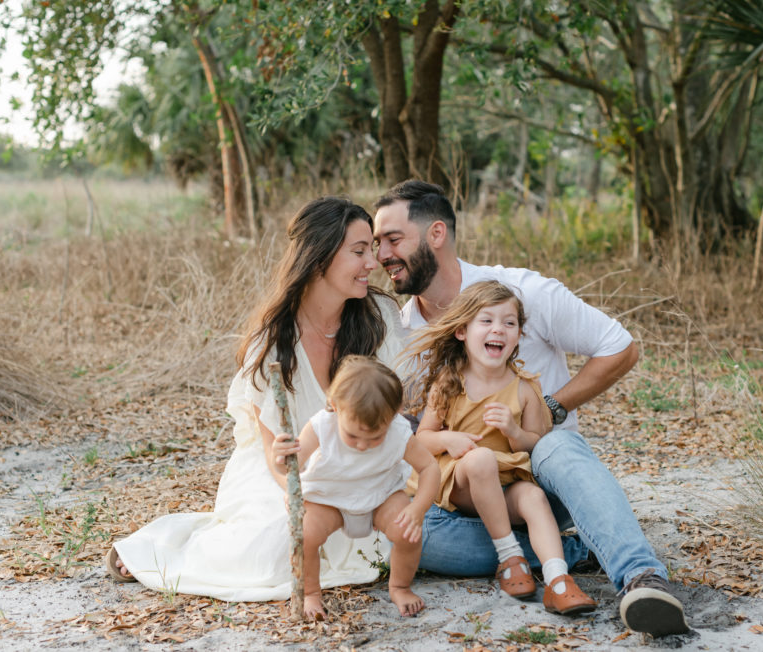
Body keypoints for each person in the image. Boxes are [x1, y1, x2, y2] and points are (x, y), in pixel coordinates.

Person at [373, 181, 689, 638]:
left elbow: (619, 347)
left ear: (435, 234)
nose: (381, 253)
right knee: (407, 538)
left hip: (536, 475)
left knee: (556, 446)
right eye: (377, 243)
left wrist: (549, 410)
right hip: (462, 494)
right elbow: (413, 428)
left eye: (392, 239)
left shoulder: (522, 293)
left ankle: (642, 578)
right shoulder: (402, 331)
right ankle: (568, 553)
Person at [105, 196, 411, 605]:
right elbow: (274, 458)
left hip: (366, 462)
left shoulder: (379, 318)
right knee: (273, 548)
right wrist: (308, 492)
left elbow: (398, 416)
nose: (372, 263)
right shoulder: (273, 342)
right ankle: (157, 547)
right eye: (358, 252)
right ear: (319, 257)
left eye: (370, 251)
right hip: (287, 474)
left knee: (389, 539)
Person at [405, 280, 597, 615]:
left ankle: (558, 580)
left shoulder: (525, 389)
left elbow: (537, 444)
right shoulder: (450, 383)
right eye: (487, 321)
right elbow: (421, 439)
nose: (499, 329)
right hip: (460, 484)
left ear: (519, 335)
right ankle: (510, 556)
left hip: (506, 482)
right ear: (462, 331)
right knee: (480, 460)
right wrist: (449, 439)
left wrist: (513, 431)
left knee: (534, 497)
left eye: (509, 323)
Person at [270, 355, 439, 619]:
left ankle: (400, 586)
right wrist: (280, 457)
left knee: (408, 533)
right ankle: (311, 592)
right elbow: (290, 468)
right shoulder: (320, 426)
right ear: (335, 407)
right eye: (353, 436)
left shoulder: (399, 431)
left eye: (375, 438)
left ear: (393, 416)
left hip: (381, 497)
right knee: (304, 534)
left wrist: (418, 508)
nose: (362, 445)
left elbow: (430, 468)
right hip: (329, 499)